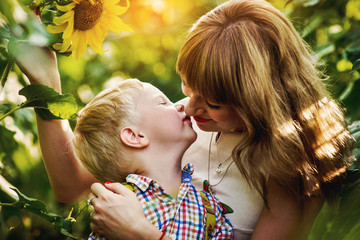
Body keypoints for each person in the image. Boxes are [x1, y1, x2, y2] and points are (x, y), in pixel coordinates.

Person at [14, 0, 354, 239]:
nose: (189, 109)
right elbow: (71, 184)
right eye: (186, 88)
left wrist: (143, 236)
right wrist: (45, 87)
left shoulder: (294, 168)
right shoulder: (191, 124)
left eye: (212, 103)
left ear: (259, 102)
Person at [72, 78, 233, 239]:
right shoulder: (114, 211)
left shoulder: (210, 208)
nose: (181, 105)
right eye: (163, 103)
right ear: (135, 136)